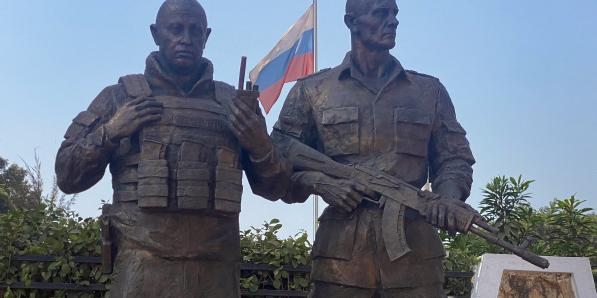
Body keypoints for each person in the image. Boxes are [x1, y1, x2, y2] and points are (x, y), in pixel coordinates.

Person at [55, 0, 286, 296]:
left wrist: (260, 145)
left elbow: (276, 187)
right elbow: (67, 176)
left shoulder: (235, 105)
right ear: (155, 33)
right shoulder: (119, 97)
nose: (186, 39)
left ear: (207, 36)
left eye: (195, 31)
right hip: (142, 271)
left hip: (215, 274)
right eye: (176, 29)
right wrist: (111, 131)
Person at [269, 0, 475, 296]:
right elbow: (277, 163)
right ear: (351, 22)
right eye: (381, 13)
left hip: (416, 260)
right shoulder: (312, 91)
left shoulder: (429, 92)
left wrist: (449, 199)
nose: (392, 21)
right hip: (340, 261)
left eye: (394, 14)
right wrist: (320, 183)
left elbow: (454, 159)